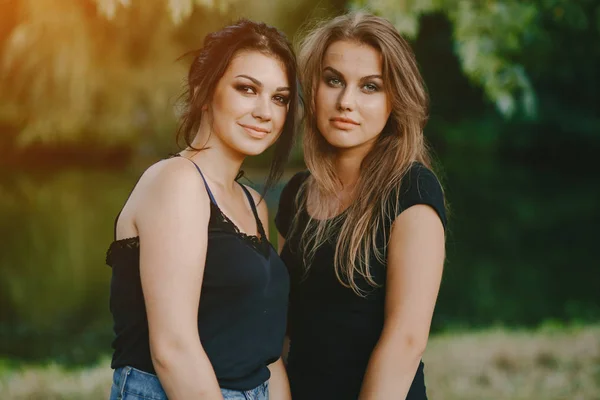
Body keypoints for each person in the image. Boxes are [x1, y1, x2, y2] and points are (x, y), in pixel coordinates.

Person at [105, 19, 299, 400]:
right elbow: (174, 351)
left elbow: (267, 353)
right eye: (247, 89)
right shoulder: (176, 182)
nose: (265, 111)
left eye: (280, 98)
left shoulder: (254, 204)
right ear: (203, 91)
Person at [275, 12, 447, 400]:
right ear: (313, 88)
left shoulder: (412, 190)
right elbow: (285, 330)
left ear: (395, 100)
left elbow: (405, 342)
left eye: (370, 87)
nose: (345, 102)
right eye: (333, 80)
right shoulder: (297, 194)